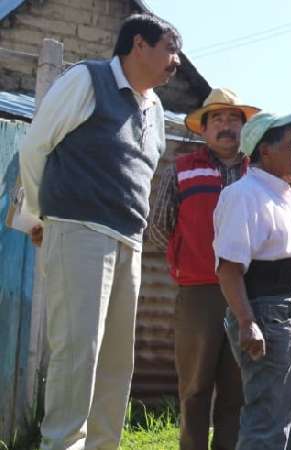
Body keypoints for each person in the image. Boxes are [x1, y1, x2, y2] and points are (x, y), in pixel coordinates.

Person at [18, 13, 181, 450]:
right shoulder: (86, 80)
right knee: (78, 354)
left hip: (128, 240)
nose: (177, 61)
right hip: (80, 231)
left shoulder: (157, 110)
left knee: (114, 364)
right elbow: (36, 147)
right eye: (170, 48)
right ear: (138, 45)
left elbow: (142, 177)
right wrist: (41, 216)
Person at [147, 88, 259, 450]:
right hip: (199, 294)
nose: (226, 127)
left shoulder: (257, 172)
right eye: (218, 120)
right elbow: (159, 227)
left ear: (244, 127)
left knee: (237, 389)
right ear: (204, 129)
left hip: (248, 293)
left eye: (233, 119)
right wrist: (188, 255)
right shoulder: (181, 169)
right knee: (194, 388)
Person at [213, 109, 291, 450]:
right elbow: (229, 267)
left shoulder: (280, 195)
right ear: (265, 151)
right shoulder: (244, 195)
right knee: (267, 421)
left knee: (290, 418)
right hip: (266, 314)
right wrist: (246, 322)